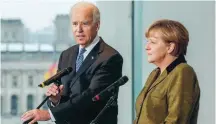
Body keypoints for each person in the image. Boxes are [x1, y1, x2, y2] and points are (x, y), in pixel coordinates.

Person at [21, 2, 123, 124]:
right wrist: (55, 100)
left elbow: (90, 97)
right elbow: (63, 93)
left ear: (97, 25)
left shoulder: (110, 57)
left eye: (85, 24)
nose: (78, 29)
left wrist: (50, 114)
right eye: (75, 24)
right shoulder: (67, 54)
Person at [134, 19, 200, 124]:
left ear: (170, 47)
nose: (147, 47)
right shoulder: (155, 74)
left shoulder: (183, 72)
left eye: (153, 42)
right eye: (147, 42)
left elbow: (176, 120)